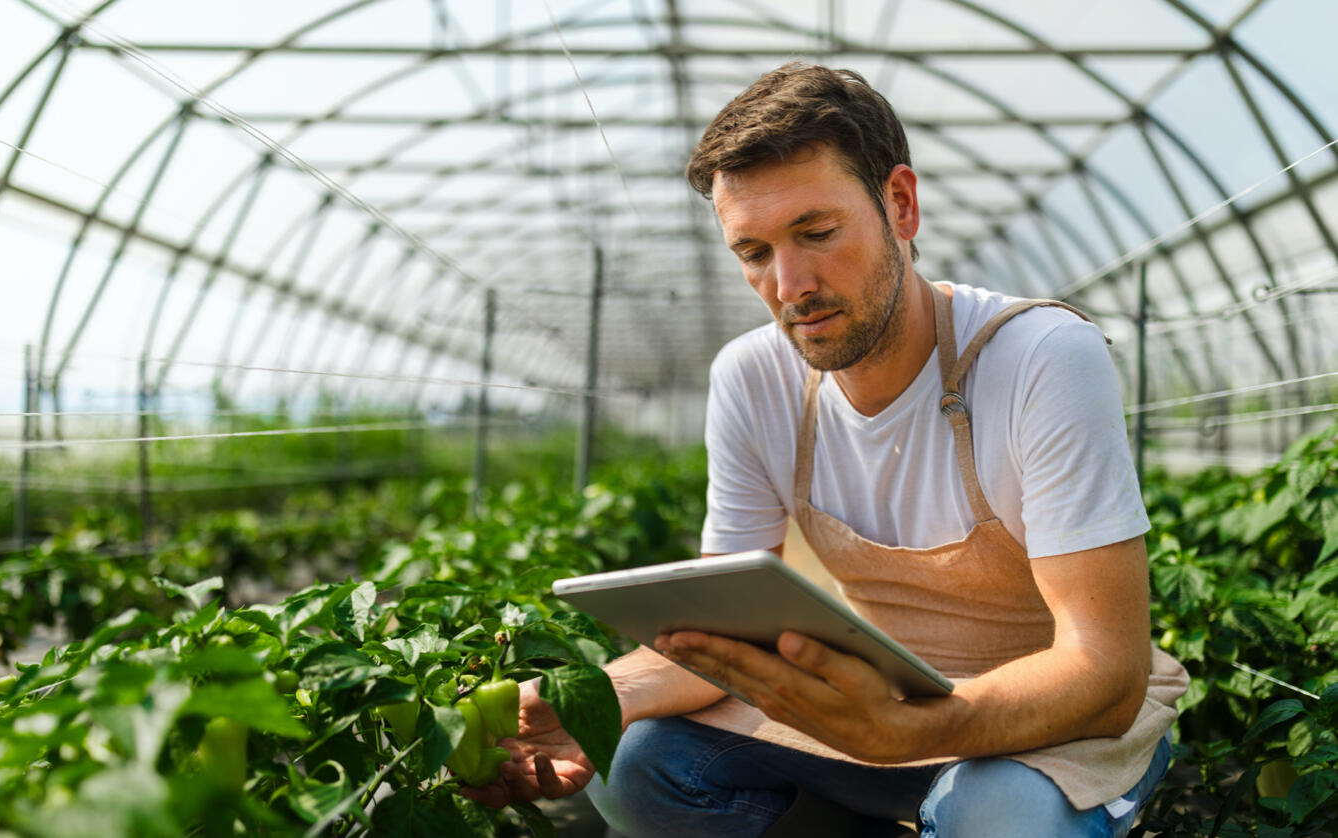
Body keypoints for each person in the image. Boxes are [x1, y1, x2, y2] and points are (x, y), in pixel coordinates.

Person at [464, 62, 1189, 837]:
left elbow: (1107, 674)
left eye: (817, 233)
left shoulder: (1039, 356)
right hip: (867, 713)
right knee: (636, 767)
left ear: (900, 205)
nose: (790, 284)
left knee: (998, 816)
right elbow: (722, 637)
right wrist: (595, 701)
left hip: (1042, 728)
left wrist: (915, 732)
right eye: (754, 252)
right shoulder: (754, 378)